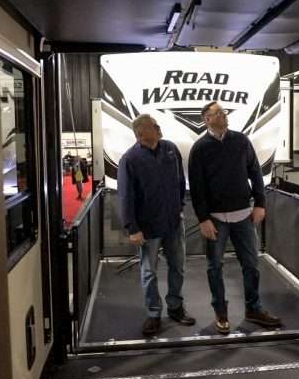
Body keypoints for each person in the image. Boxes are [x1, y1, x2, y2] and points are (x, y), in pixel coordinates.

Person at [188, 101, 282, 335]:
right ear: (207, 119)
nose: (224, 115)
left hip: (243, 217)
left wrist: (260, 203)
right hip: (215, 219)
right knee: (214, 267)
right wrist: (203, 219)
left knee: (251, 265)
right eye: (218, 113)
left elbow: (255, 173)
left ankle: (254, 309)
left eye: (224, 112)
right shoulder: (199, 148)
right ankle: (221, 313)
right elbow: (197, 188)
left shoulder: (241, 141)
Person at [118, 114, 196, 336]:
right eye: (154, 126)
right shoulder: (130, 159)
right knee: (149, 272)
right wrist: (132, 228)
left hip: (172, 222)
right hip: (148, 227)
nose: (159, 128)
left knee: (178, 266)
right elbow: (126, 196)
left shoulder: (170, 149)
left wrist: (179, 206)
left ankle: (175, 307)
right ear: (142, 133)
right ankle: (153, 314)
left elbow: (181, 181)